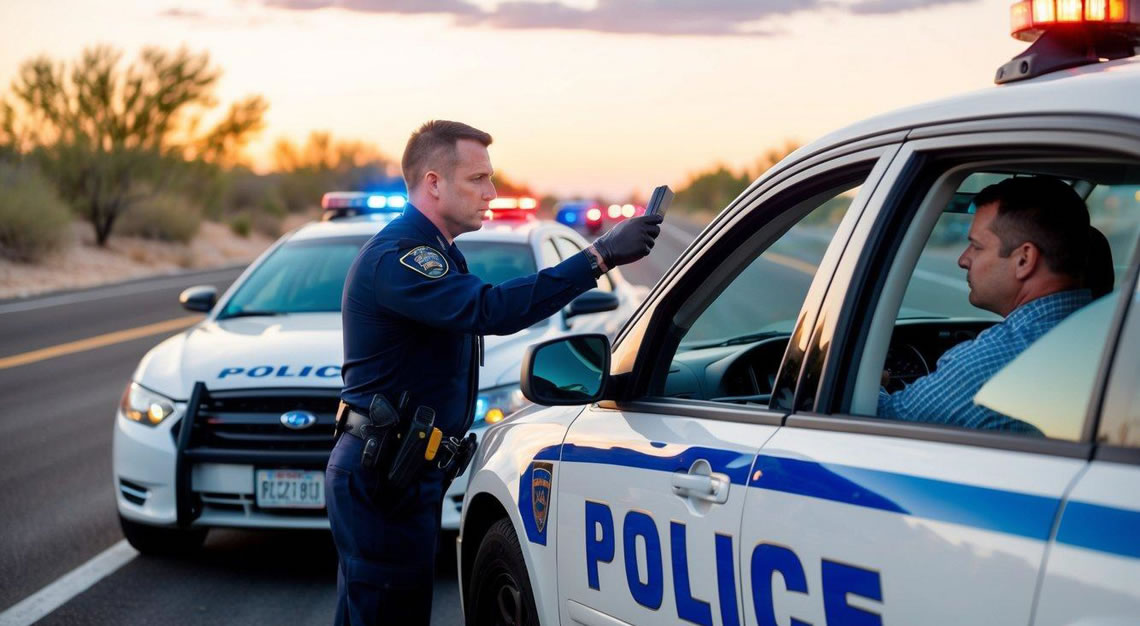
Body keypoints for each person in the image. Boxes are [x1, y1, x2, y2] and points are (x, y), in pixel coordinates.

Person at [326, 120, 662, 625]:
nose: (491, 192)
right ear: (434, 182)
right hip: (381, 477)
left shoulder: (441, 253)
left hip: (401, 471)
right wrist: (600, 254)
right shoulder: (401, 257)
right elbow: (493, 310)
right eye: (477, 179)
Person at [878, 176, 1093, 434]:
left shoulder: (988, 364)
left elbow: (884, 419)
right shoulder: (1115, 334)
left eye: (976, 246)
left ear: (1024, 259)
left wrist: (874, 384)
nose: (963, 259)